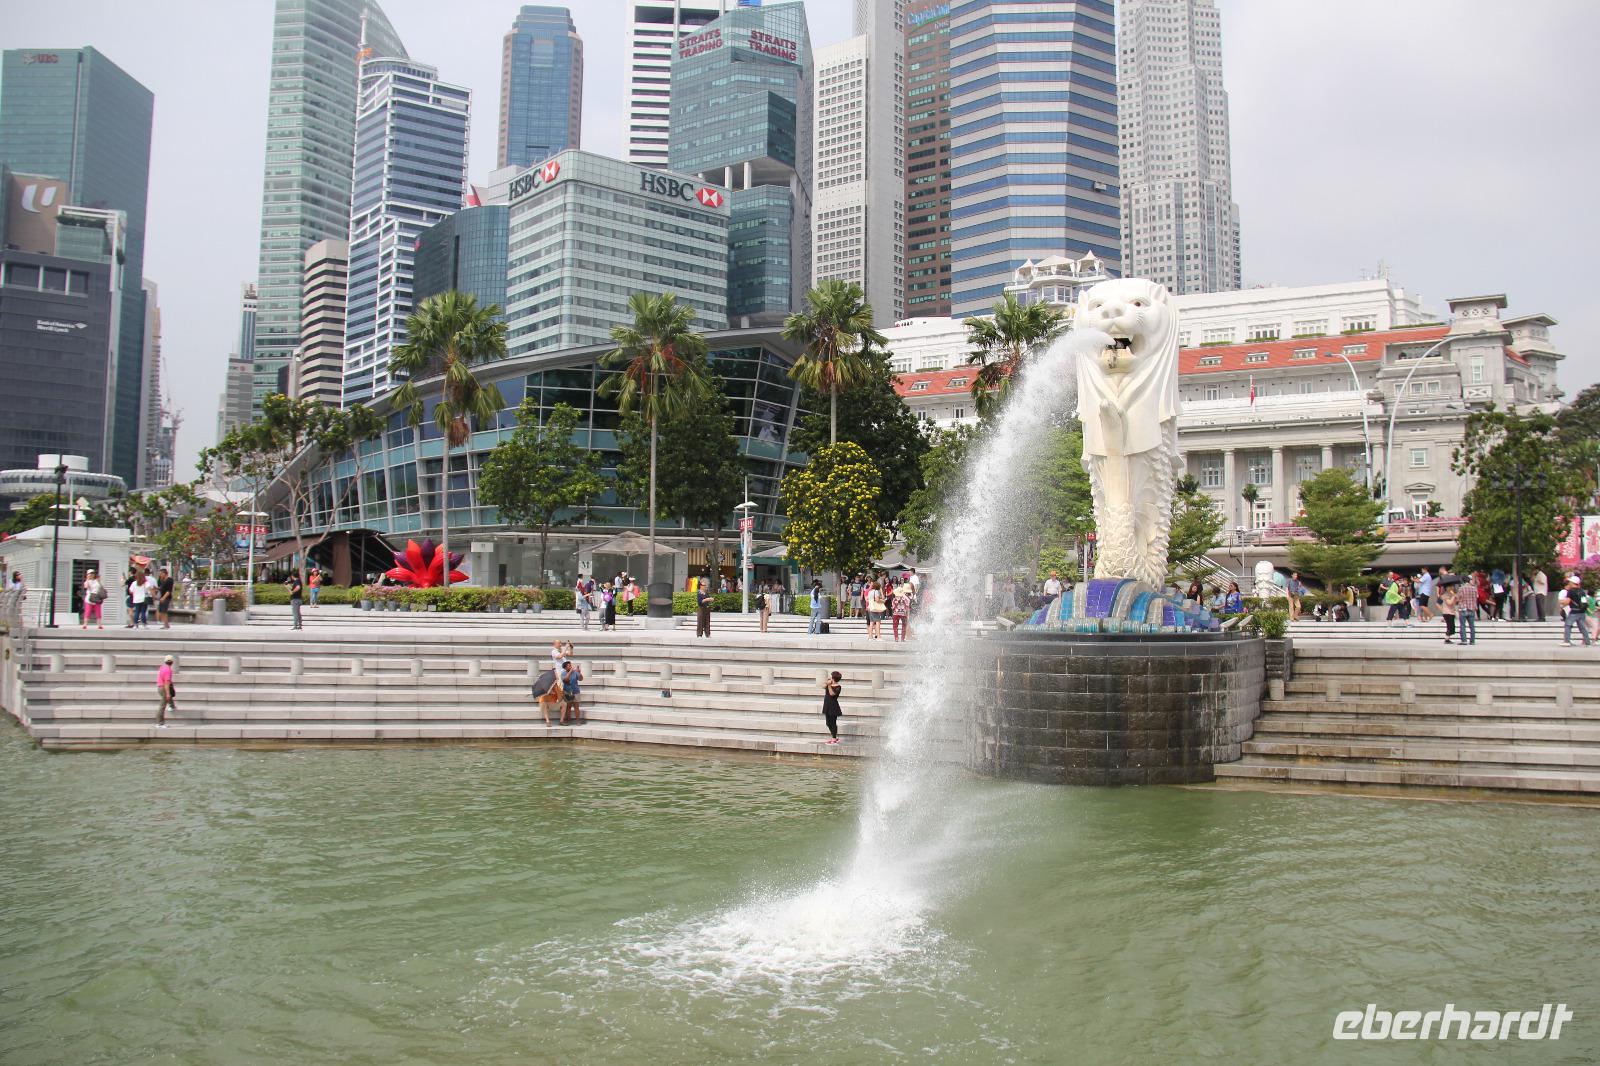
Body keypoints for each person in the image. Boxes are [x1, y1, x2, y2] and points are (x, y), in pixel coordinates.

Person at [1559, 575, 1592, 647]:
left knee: (1568, 625)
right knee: (1582, 627)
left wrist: (1562, 604)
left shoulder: (1571, 591)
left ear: (1572, 583)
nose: (1569, 583)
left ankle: (1567, 641)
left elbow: (1567, 601)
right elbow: (1585, 602)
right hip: (1582, 612)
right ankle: (1588, 642)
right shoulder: (1582, 591)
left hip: (1574, 612)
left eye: (1570, 582)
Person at [821, 670, 843, 744]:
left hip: (833, 706)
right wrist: (826, 683)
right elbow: (823, 686)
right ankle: (833, 736)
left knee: (833, 722)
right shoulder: (828, 684)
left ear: (834, 678)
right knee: (828, 722)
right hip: (827, 705)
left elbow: (832, 694)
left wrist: (830, 685)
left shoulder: (838, 687)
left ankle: (834, 737)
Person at [1455, 575, 1479, 646]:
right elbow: (1477, 597)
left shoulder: (1461, 589)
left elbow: (1458, 599)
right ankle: (1472, 641)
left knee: (1462, 625)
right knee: (1472, 626)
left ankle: (1464, 640)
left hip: (1463, 608)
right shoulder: (1474, 588)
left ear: (1462, 581)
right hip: (1472, 608)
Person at [561, 658, 584, 724]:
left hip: (576, 691)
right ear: (565, 668)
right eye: (569, 666)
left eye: (570, 665)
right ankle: (568, 720)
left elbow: (581, 679)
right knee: (568, 707)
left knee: (576, 706)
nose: (570, 666)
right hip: (567, 692)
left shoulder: (575, 672)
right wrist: (570, 671)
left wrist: (579, 673)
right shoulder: (563, 673)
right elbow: (565, 680)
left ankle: (578, 721)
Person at [156, 655, 176, 727]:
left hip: (160, 687)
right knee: (162, 706)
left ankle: (172, 705)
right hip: (164, 688)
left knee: (168, 697)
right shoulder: (168, 670)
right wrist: (167, 693)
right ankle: (160, 723)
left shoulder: (162, 667)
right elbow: (166, 683)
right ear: (172, 662)